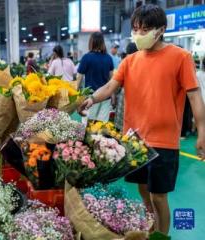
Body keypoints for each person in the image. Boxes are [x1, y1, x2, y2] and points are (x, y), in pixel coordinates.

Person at [79, 4, 205, 235]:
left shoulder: (180, 57)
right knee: (144, 191)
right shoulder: (130, 60)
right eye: (136, 28)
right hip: (134, 140)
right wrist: (91, 99)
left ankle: (162, 236)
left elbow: (194, 95)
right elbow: (110, 87)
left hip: (164, 140)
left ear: (161, 30)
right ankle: (151, 228)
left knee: (159, 196)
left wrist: (203, 132)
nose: (138, 34)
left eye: (145, 29)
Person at [76, 32, 114, 121]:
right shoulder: (108, 58)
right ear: (102, 43)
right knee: (102, 127)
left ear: (91, 42)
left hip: (90, 98)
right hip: (105, 97)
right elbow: (112, 80)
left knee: (87, 126)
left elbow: (79, 79)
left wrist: (75, 96)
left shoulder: (86, 58)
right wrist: (113, 95)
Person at [114, 42, 138, 131]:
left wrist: (114, 96)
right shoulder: (142, 62)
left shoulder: (124, 62)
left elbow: (116, 85)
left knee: (122, 126)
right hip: (138, 98)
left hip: (124, 96)